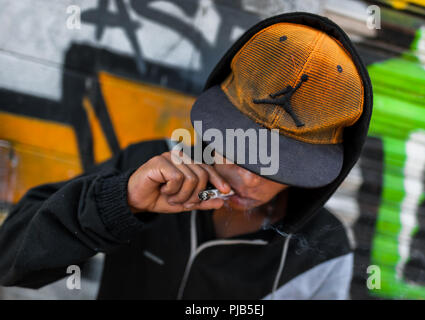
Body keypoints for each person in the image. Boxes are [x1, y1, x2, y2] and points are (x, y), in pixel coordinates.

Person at [0, 12, 372, 299]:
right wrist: (120, 202)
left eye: (282, 165)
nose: (251, 178)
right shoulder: (148, 167)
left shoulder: (325, 249)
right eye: (238, 147)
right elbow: (9, 261)